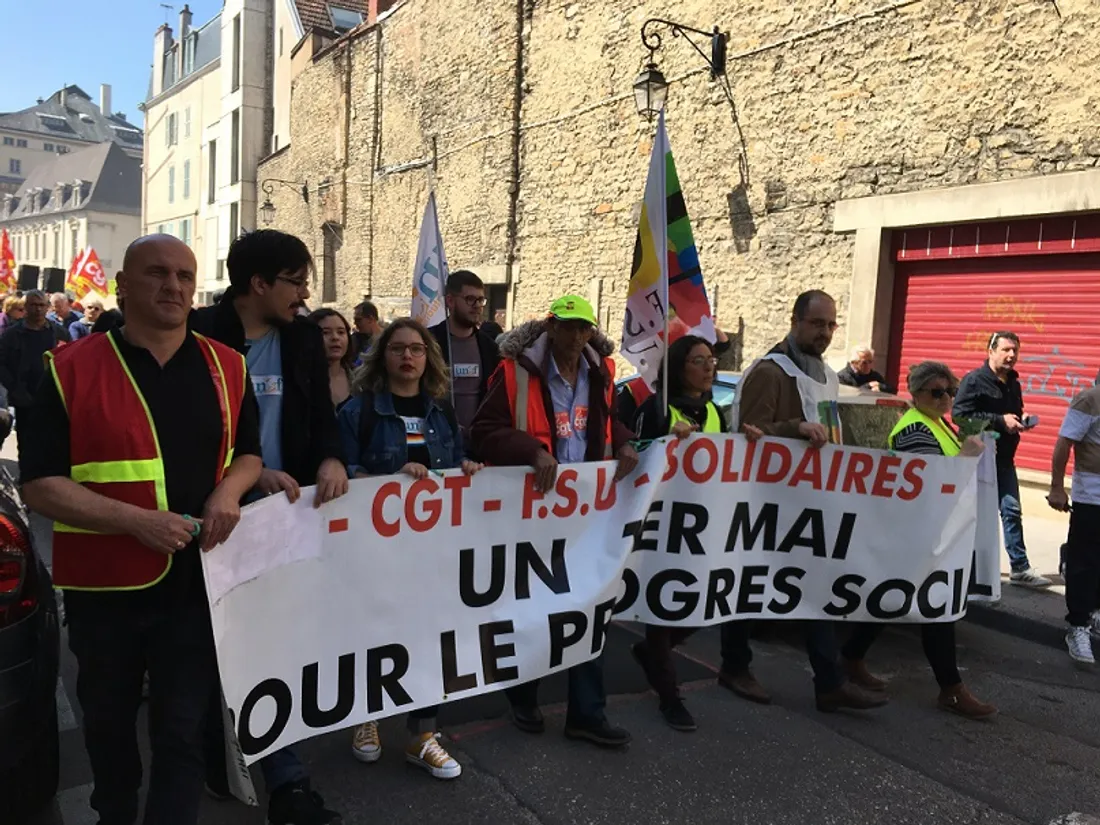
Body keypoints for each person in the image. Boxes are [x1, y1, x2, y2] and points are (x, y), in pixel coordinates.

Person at [18, 233, 263, 825]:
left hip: (197, 585)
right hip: (104, 592)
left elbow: (250, 454)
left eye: (184, 275)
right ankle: (115, 813)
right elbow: (39, 485)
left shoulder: (228, 366)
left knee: (182, 730)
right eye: (156, 273)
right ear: (122, 286)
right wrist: (138, 523)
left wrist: (230, 492)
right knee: (108, 729)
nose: (173, 286)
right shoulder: (65, 368)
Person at [191, 229, 348, 825]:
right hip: (218, 518)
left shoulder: (304, 340)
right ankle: (217, 754)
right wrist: (244, 478)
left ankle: (289, 783)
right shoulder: (201, 333)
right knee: (217, 650)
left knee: (276, 647)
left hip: (287, 518)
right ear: (258, 284)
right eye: (296, 280)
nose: (306, 292)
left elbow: (318, 416)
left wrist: (330, 458)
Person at [471, 294, 639, 748]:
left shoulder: (600, 372)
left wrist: (623, 442)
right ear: (550, 327)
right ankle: (523, 696)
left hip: (585, 514)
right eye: (567, 328)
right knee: (532, 610)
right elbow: (482, 432)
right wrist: (531, 451)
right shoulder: (513, 371)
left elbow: (606, 423)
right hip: (529, 515)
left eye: (583, 328)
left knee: (589, 608)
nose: (575, 337)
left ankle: (587, 713)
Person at [724, 289, 888, 713]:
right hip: (763, 503)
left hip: (810, 501)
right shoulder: (770, 371)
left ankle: (829, 680)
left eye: (831, 324)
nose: (826, 332)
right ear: (795, 321)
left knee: (815, 587)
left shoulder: (825, 374)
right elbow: (748, 433)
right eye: (817, 324)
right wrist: (794, 427)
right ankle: (732, 664)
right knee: (746, 587)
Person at [338, 318, 481, 779]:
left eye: (417, 349)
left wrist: (465, 466)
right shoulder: (357, 412)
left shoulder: (441, 413)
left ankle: (422, 735)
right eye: (398, 348)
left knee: (432, 637)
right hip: (376, 548)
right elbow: (344, 471)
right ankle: (366, 717)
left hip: (431, 549)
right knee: (372, 631)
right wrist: (387, 480)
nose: (407, 357)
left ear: (428, 357)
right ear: (383, 356)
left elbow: (453, 459)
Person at [840, 361, 996, 718]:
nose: (946, 399)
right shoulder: (914, 430)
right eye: (937, 392)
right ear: (917, 393)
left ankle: (850, 658)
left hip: (930, 532)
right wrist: (965, 458)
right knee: (935, 606)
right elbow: (927, 488)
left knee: (891, 600)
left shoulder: (938, 424)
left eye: (951, 392)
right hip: (917, 532)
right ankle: (951, 689)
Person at [630, 335, 731, 731]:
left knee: (700, 603)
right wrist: (661, 440)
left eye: (711, 360)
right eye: (698, 360)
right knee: (661, 607)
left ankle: (652, 654)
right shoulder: (657, 408)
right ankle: (669, 696)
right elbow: (632, 455)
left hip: (701, 523)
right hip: (660, 523)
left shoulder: (716, 414)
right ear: (678, 367)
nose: (709, 368)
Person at [953, 332, 1051, 587]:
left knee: (1011, 511)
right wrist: (998, 420)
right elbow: (959, 416)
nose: (1011, 355)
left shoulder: (1013, 383)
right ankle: (963, 564)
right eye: (1006, 350)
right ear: (991, 351)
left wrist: (1020, 420)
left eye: (1015, 351)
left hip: (1005, 458)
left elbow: (1012, 413)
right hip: (977, 459)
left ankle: (1019, 568)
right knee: (972, 515)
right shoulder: (973, 380)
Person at [1047, 380, 1100, 664]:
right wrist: (1057, 486)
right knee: (1085, 563)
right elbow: (1065, 441)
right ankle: (1078, 627)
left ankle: (1095, 613)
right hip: (1092, 497)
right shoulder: (1090, 399)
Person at [427, 270, 501, 444]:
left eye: (480, 300)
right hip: (437, 441)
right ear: (450, 301)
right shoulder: (429, 342)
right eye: (470, 299)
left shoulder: (489, 347)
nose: (477, 305)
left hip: (479, 443)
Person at [0, 290, 71, 432]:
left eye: (41, 305)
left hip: (52, 399)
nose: (37, 309)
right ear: (25, 306)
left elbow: (71, 361)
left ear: (47, 307)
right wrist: (15, 389)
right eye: (33, 305)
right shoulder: (12, 334)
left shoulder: (59, 333)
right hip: (24, 399)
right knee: (27, 445)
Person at [309, 308, 356, 412]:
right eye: (325, 333)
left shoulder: (361, 380)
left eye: (341, 332)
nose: (335, 338)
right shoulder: (300, 381)